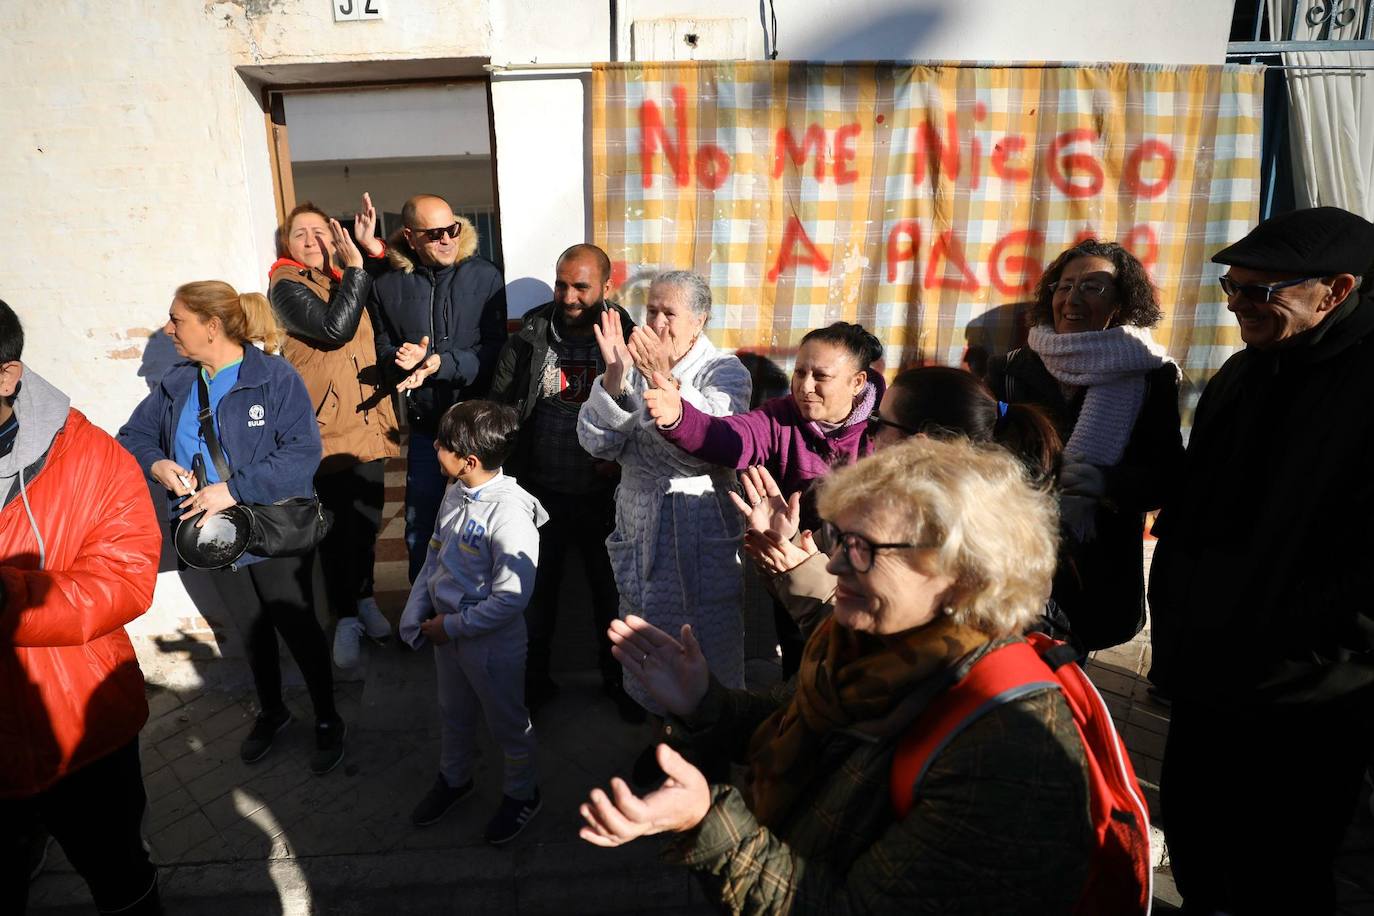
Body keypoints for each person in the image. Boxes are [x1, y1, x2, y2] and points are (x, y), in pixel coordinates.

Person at [577, 437, 1094, 912]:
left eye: (865, 549)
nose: (835, 566)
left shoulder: (1010, 757)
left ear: (964, 574)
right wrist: (704, 702)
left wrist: (708, 823)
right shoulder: (876, 636)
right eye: (841, 539)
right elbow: (794, 713)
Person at [1148, 206, 1374, 913]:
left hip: (1308, 691)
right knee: (1197, 839)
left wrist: (1308, 645)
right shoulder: (1245, 371)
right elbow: (1195, 509)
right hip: (1207, 669)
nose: (1237, 305)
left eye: (1259, 291)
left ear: (1335, 290)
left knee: (1283, 868)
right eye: (1232, 288)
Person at [118, 281, 345, 774]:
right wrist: (157, 463)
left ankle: (328, 716)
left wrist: (234, 490)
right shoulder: (178, 383)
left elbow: (303, 453)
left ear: (212, 325)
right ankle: (273, 711)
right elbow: (133, 435)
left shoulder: (273, 378)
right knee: (250, 628)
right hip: (211, 536)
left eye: (177, 319)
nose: (169, 329)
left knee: (299, 627)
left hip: (271, 527)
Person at [0, 301, 164, 914]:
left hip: (80, 727)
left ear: (7, 375)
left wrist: (10, 599)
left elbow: (124, 578)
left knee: (119, 877)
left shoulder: (90, 456)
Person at [739, 365, 1063, 643]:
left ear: (919, 444)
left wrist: (797, 571)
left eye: (879, 423)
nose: (869, 435)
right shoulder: (878, 505)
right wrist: (786, 543)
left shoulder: (957, 536)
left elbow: (879, 650)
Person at [643, 320, 885, 676]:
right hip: (791, 565)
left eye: (821, 376)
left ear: (858, 382)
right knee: (800, 664)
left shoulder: (885, 428)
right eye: (799, 372)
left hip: (866, 576)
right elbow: (728, 438)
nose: (805, 387)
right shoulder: (780, 417)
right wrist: (679, 417)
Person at [985, 240, 1182, 651]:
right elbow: (980, 455)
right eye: (1065, 286)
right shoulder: (1009, 370)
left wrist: (1104, 483)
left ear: (1120, 304)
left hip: (1095, 569)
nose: (1072, 298)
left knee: (1069, 674)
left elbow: (1166, 476)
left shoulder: (1151, 376)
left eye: (1092, 287)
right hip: (1015, 555)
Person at [576, 271, 752, 722]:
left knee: (707, 646)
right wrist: (615, 378)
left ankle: (710, 740)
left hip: (698, 524)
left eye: (669, 313)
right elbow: (598, 445)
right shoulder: (632, 365)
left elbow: (712, 443)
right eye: (651, 310)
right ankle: (660, 735)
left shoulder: (725, 370)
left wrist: (663, 377)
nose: (656, 322)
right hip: (640, 520)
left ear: (699, 320)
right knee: (647, 637)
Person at [268, 196, 427, 668]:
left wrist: (367, 251)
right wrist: (356, 268)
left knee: (366, 522)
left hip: (366, 421)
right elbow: (334, 328)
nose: (311, 241)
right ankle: (345, 618)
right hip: (326, 429)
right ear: (287, 245)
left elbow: (377, 300)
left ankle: (365, 600)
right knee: (335, 530)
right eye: (300, 234)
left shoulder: (340, 278)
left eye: (319, 232)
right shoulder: (286, 285)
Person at [488, 243, 641, 721]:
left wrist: (623, 461)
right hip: (540, 496)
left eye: (581, 287)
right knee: (536, 596)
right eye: (561, 284)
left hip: (607, 501)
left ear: (607, 287)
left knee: (611, 598)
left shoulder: (630, 339)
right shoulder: (531, 334)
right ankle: (534, 684)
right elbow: (501, 406)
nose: (569, 297)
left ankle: (620, 684)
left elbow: (648, 417)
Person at [399, 400, 547, 845]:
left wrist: (451, 627)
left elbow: (510, 600)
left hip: (491, 646)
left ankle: (522, 793)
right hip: (449, 636)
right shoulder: (455, 489)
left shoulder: (510, 516)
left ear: (469, 461)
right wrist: (415, 612)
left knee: (507, 723)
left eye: (443, 444)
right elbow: (435, 553)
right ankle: (455, 778)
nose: (435, 447)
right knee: (454, 712)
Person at [370, 193, 507, 582]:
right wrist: (402, 358)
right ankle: (424, 608)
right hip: (427, 428)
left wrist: (440, 363)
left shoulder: (485, 276)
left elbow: (495, 350)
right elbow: (381, 348)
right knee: (421, 526)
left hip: (478, 427)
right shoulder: (386, 285)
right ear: (410, 237)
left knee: (484, 526)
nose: (447, 239)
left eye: (452, 229)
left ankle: (484, 607)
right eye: (434, 234)